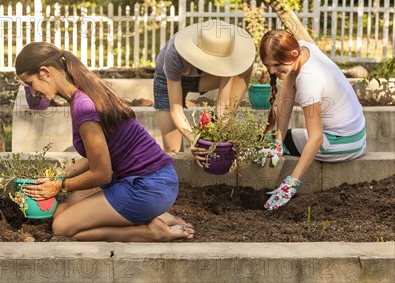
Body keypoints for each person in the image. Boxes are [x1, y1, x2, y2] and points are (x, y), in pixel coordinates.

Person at [15, 42, 194, 242]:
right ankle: (147, 216)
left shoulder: (83, 107)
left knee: (61, 226)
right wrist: (58, 177)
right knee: (61, 211)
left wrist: (60, 186)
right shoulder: (86, 92)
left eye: (30, 84)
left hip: (148, 186)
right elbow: (98, 157)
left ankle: (150, 231)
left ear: (45, 72)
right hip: (144, 180)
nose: (32, 92)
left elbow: (101, 174)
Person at [259, 30, 367, 210]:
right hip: (356, 137)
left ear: (293, 54)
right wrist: (278, 141)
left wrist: (291, 184)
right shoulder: (303, 48)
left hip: (340, 145)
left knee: (262, 142)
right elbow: (285, 100)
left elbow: (316, 138)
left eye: (276, 65)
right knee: (277, 140)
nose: (271, 71)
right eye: (268, 65)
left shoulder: (308, 80)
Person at [154, 19, 256, 158]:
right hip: (168, 79)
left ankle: (217, 128)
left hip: (203, 79)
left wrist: (224, 133)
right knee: (174, 152)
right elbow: (176, 109)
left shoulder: (226, 54)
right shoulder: (174, 55)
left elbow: (224, 104)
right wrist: (193, 140)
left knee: (245, 66)